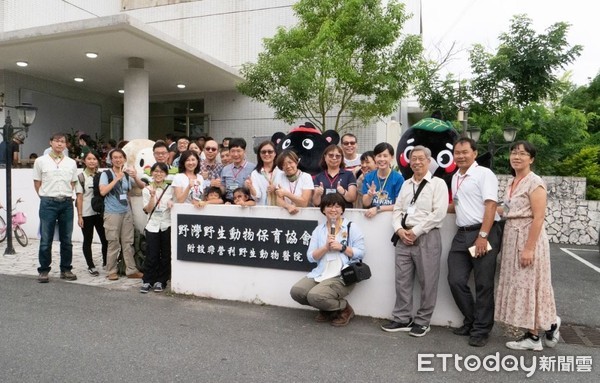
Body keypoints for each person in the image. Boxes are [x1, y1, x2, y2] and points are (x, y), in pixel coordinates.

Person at [495, 141, 561, 351]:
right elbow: (506, 209)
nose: (516, 157)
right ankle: (549, 324)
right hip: (512, 236)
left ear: (531, 159)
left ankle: (533, 337)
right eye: (514, 152)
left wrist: (529, 248)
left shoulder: (535, 182)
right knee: (519, 283)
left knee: (530, 285)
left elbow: (539, 217)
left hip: (528, 238)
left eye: (522, 154)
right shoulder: (512, 182)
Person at [381, 146, 449, 337]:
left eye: (421, 158)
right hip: (404, 237)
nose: (417, 162)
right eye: (413, 159)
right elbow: (398, 210)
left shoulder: (438, 184)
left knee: (428, 280)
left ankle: (423, 321)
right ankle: (402, 318)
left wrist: (417, 231)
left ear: (429, 161)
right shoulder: (406, 184)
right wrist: (400, 230)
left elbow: (439, 213)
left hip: (427, 236)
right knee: (402, 279)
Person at [447, 137, 502, 347]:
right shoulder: (455, 177)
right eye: (457, 153)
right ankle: (471, 321)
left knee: (483, 284)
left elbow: (490, 205)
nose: (460, 156)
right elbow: (457, 205)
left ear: (475, 153)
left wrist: (483, 235)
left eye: (464, 152)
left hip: (483, 231)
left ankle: (481, 330)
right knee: (455, 280)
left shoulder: (484, 174)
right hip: (462, 233)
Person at [290, 193, 365, 327]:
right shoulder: (319, 230)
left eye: (337, 206)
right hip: (321, 272)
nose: (333, 209)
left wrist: (342, 247)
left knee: (315, 296)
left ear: (342, 209)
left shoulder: (351, 227)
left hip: (342, 275)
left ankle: (343, 308)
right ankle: (328, 308)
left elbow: (361, 252)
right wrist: (325, 248)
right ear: (323, 210)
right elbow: (310, 256)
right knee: (297, 292)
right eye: (329, 206)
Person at [33, 132, 79, 283]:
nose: (60, 144)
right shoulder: (41, 161)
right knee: (46, 239)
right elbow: (37, 182)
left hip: (66, 203)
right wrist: (44, 196)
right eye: (57, 141)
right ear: (50, 142)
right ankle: (44, 270)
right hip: (48, 203)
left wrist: (66, 193)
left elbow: (73, 182)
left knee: (67, 239)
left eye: (63, 142)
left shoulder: (71, 162)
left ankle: (66, 269)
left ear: (66, 145)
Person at [100, 149, 144, 280]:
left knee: (128, 242)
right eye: (115, 157)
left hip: (126, 212)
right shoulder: (106, 174)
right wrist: (115, 179)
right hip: (112, 213)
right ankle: (111, 271)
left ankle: (131, 270)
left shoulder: (126, 175)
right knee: (113, 242)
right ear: (111, 160)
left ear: (124, 159)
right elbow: (102, 191)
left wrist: (135, 176)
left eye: (120, 157)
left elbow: (140, 187)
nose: (118, 160)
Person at [140, 162, 174, 293]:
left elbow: (176, 202)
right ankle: (148, 280)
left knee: (165, 254)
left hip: (166, 224)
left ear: (166, 174)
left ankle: (161, 280)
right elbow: (147, 209)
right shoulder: (146, 189)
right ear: (152, 173)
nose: (158, 174)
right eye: (156, 171)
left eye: (161, 172)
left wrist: (173, 202)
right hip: (152, 225)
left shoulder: (170, 189)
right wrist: (153, 197)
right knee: (151, 254)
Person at [75, 150, 108, 276]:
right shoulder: (81, 177)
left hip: (100, 213)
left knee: (105, 239)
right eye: (89, 159)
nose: (92, 161)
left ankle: (106, 262)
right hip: (87, 213)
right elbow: (79, 197)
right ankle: (91, 265)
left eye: (94, 159)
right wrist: (79, 216)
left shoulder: (102, 176)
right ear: (84, 161)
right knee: (88, 239)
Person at [362, 142, 404, 218]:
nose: (382, 159)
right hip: (371, 219)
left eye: (385, 156)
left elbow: (399, 205)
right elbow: (365, 203)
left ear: (391, 157)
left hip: (390, 219)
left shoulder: (398, 178)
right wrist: (370, 195)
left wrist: (378, 208)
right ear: (375, 158)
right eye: (379, 156)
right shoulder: (369, 177)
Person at [274, 150, 314, 215]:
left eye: (290, 162)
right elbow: (279, 200)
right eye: (284, 164)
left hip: (304, 215)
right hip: (286, 214)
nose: (288, 166)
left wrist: (286, 193)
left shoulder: (306, 177)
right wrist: (288, 206)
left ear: (296, 162)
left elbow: (304, 203)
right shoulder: (280, 176)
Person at [220, 138, 255, 202]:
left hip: (246, 203)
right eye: (233, 151)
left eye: (238, 151)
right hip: (229, 202)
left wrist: (249, 186)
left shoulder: (253, 168)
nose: (235, 154)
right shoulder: (225, 169)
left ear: (244, 151)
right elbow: (223, 189)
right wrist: (218, 186)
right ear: (229, 152)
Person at [246, 140, 281, 206]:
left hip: (281, 209)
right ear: (259, 154)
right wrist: (251, 187)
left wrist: (276, 188)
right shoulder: (255, 173)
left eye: (270, 152)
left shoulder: (282, 171)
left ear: (275, 153)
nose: (266, 154)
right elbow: (257, 197)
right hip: (262, 211)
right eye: (263, 152)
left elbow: (287, 190)